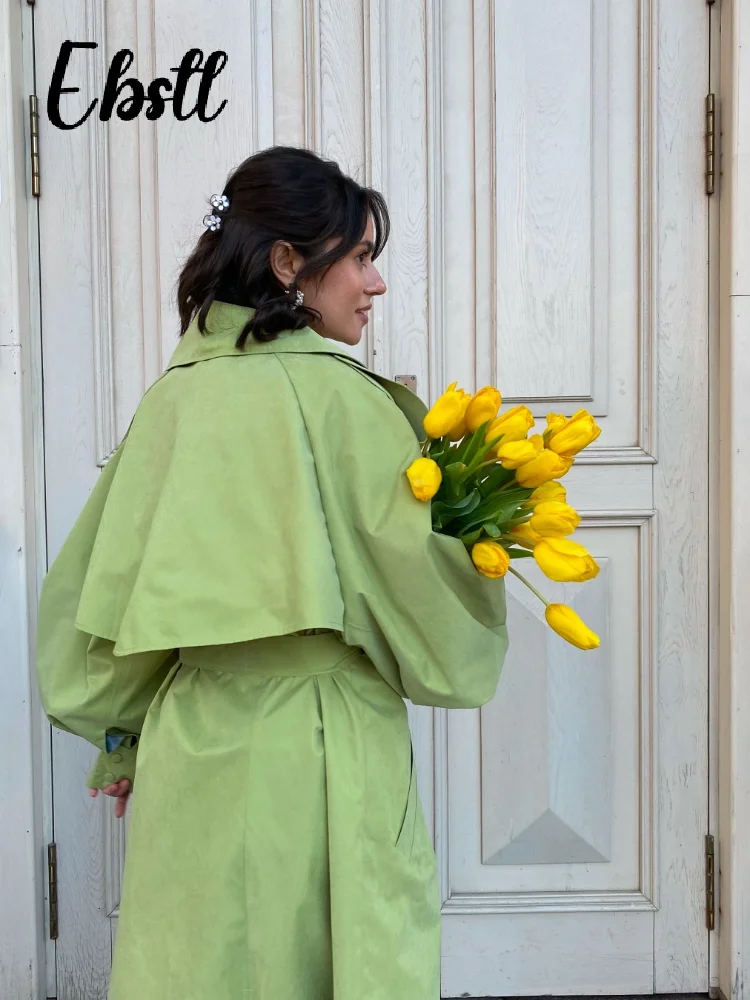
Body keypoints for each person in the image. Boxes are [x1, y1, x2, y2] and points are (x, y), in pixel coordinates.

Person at [35, 145, 509, 999]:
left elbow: (102, 596)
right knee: (333, 961)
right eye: (359, 257)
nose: (375, 283)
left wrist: (120, 740)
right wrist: (484, 543)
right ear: (289, 263)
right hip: (325, 743)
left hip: (194, 740)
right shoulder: (350, 403)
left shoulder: (173, 400)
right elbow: (428, 611)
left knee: (200, 966)